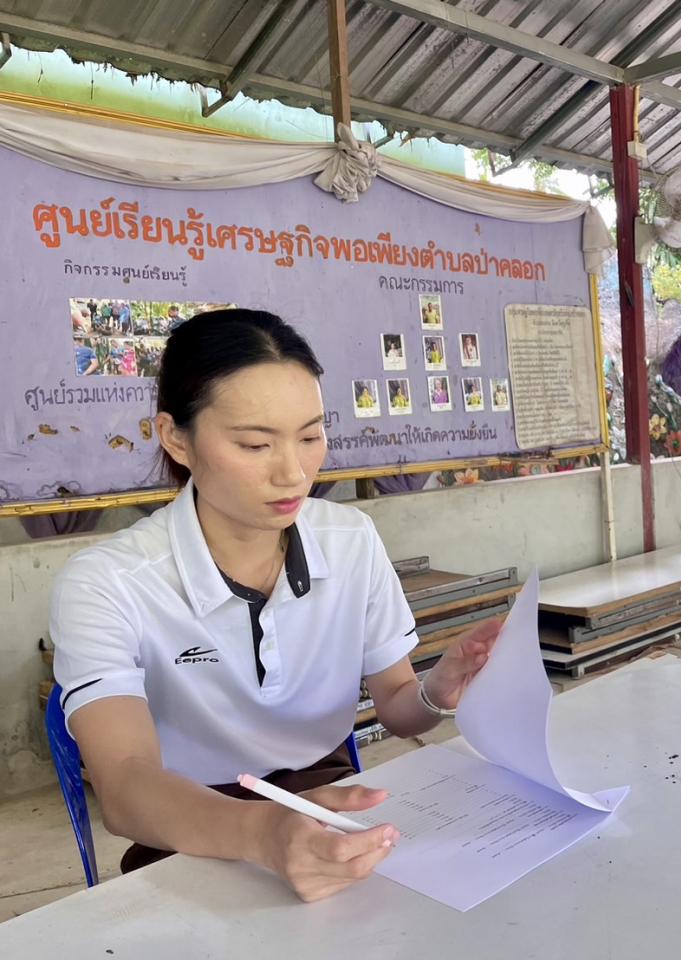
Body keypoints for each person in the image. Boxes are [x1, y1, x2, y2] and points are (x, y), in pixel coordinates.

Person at [51, 310, 499, 902]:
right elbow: (126, 786)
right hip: (185, 824)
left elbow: (395, 704)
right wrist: (263, 833)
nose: (293, 473)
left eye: (310, 437)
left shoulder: (350, 541)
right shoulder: (108, 583)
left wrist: (436, 692)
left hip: (330, 799)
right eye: (256, 444)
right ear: (176, 437)